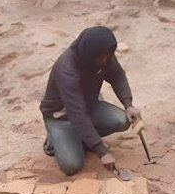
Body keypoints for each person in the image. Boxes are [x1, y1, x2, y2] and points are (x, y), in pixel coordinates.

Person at [39, 27, 142, 176]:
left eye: (107, 56)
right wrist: (101, 151)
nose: (105, 60)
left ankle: (83, 138)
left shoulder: (102, 55)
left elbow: (117, 76)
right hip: (61, 117)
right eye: (102, 57)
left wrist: (128, 104)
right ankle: (54, 139)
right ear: (90, 52)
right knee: (73, 165)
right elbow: (78, 115)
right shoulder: (66, 70)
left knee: (122, 120)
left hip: (89, 106)